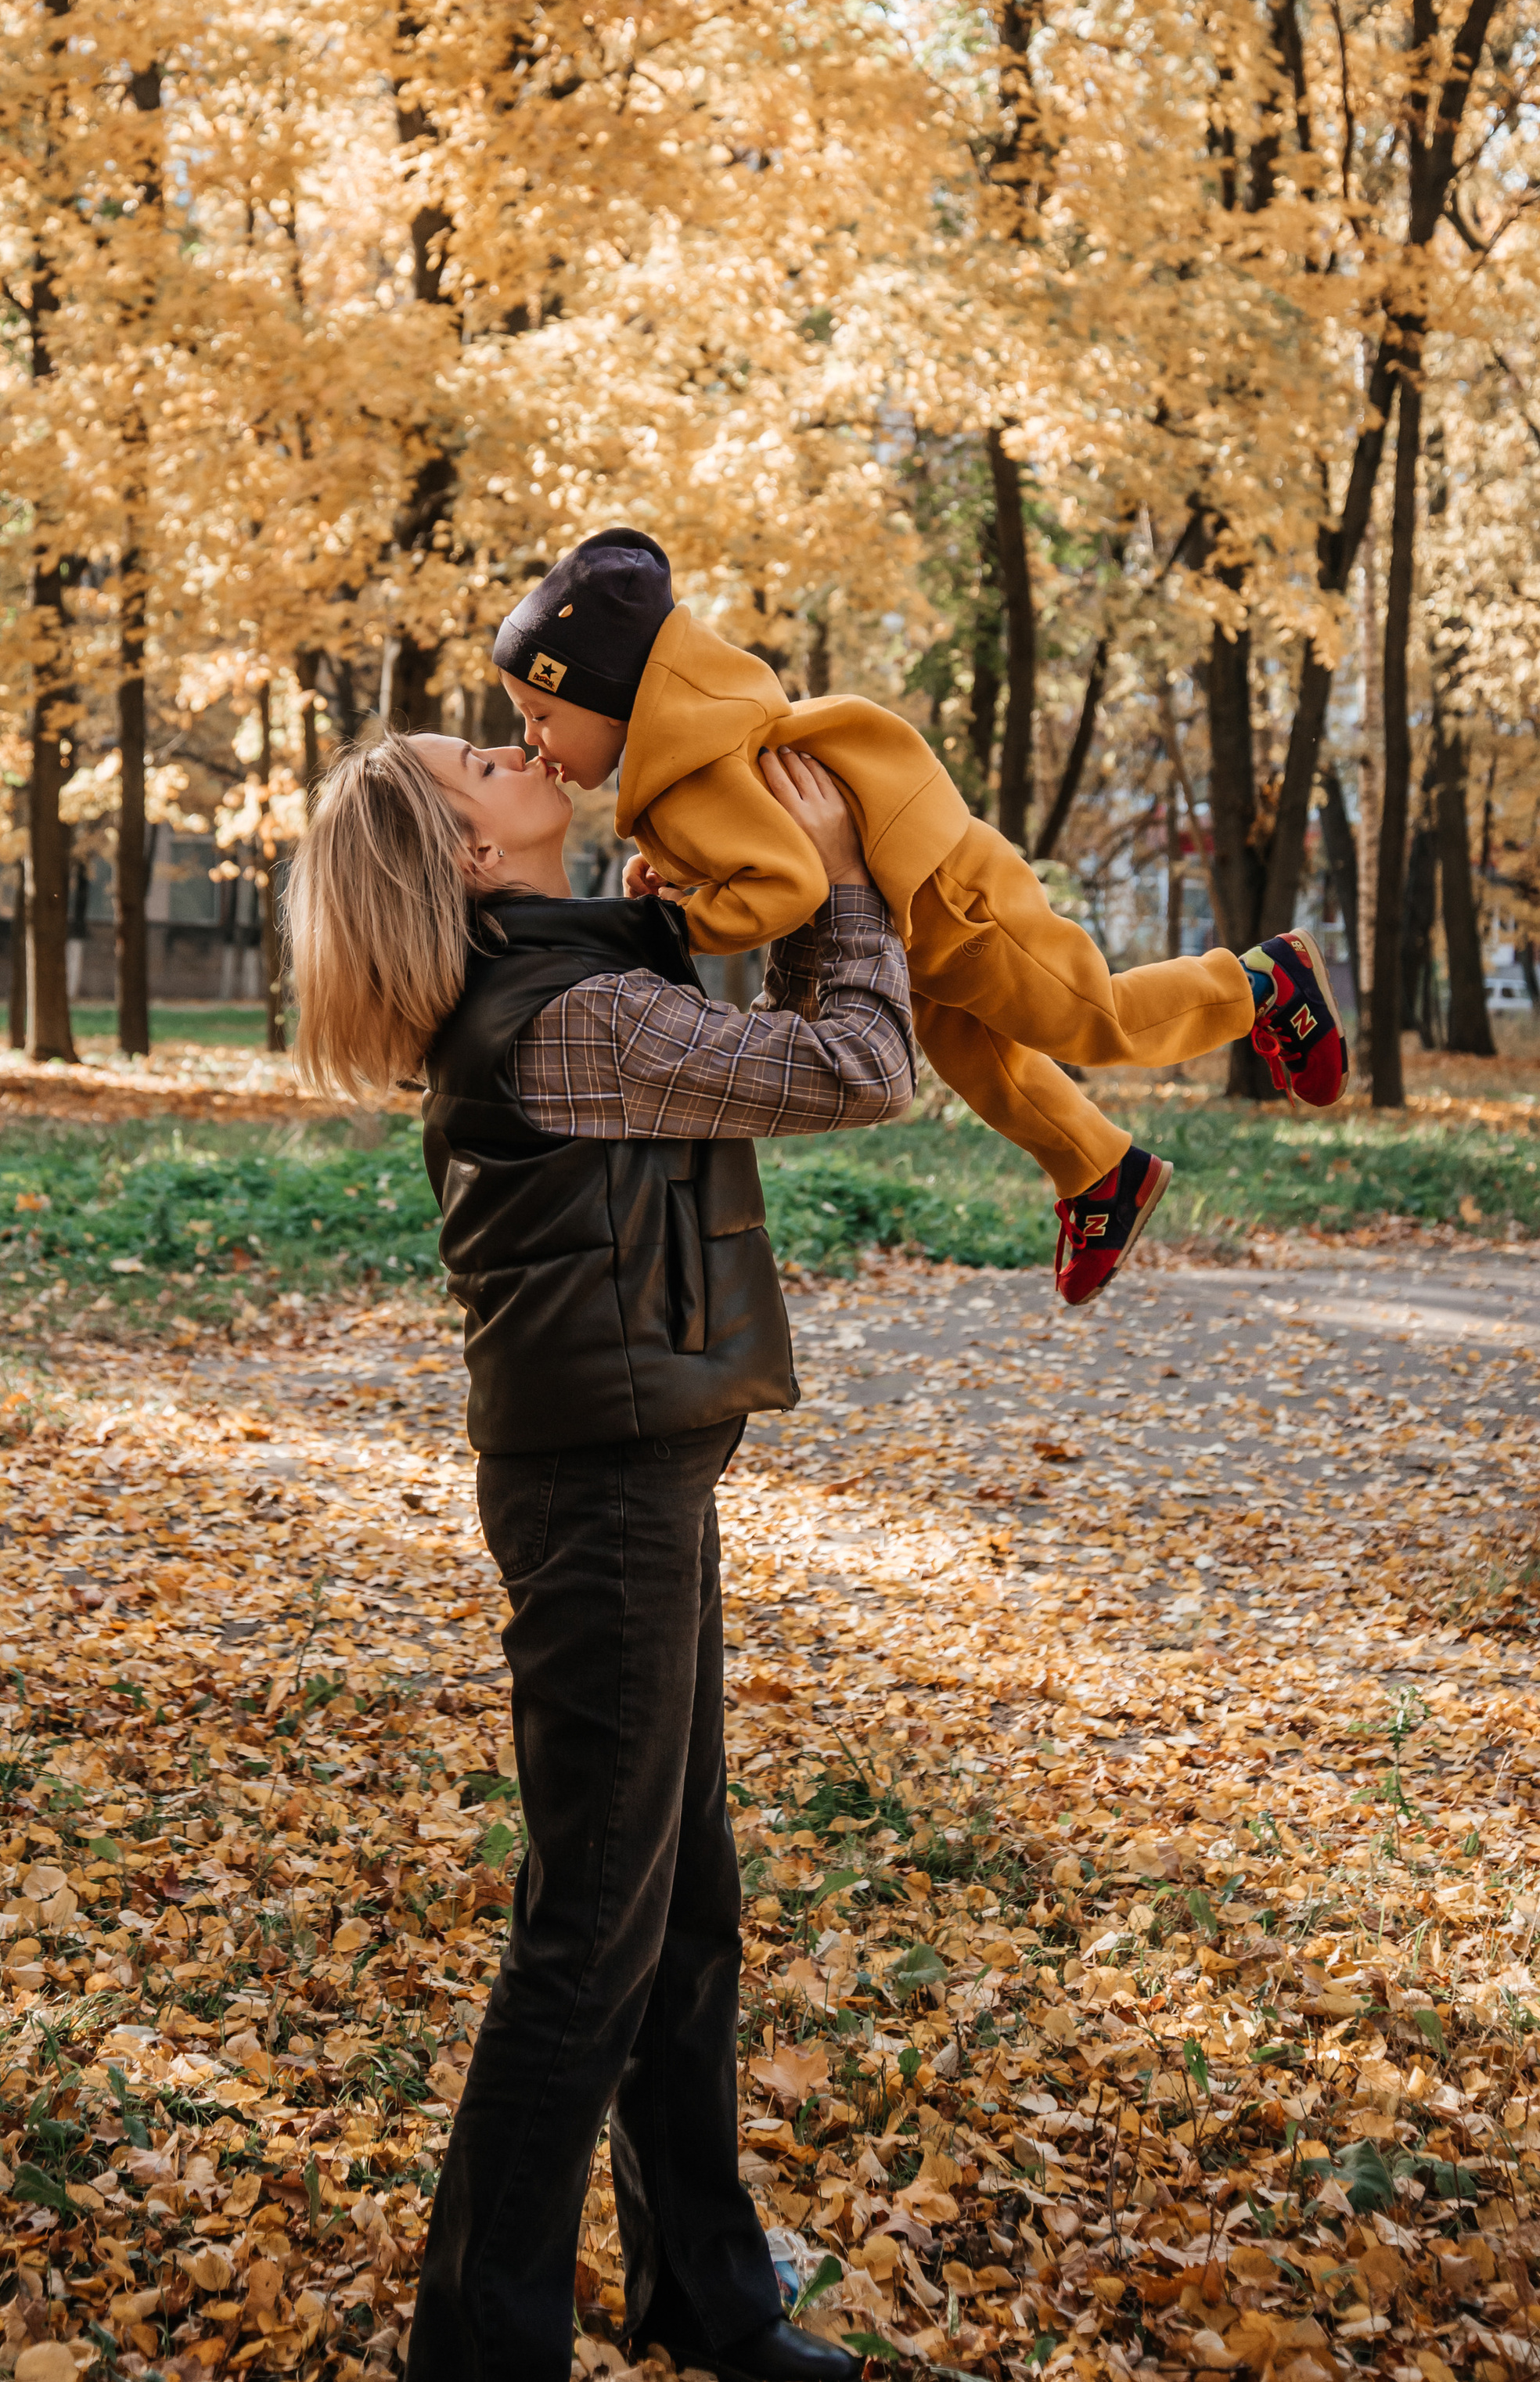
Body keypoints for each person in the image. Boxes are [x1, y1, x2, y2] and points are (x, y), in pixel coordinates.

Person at [288, 727, 915, 2382]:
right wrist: (837, 887)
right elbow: (851, 1070)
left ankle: (707, 2300)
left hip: (630, 1481)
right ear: (467, 855)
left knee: (679, 1908)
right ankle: (478, 2354)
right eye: (474, 758)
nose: (515, 743)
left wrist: (683, 910)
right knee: (588, 1936)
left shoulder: (566, 982)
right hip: (603, 1505)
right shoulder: (568, 1019)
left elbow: (683, 1043)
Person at [491, 526, 1348, 1308]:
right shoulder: (687, 766)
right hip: (915, 921)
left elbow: (787, 886)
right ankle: (1101, 1173)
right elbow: (756, 849)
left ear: (611, 701)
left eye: (541, 716)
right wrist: (682, 875)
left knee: (1090, 1019)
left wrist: (682, 923)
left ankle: (1264, 982)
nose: (535, 744)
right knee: (980, 1063)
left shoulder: (688, 777)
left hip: (954, 897)